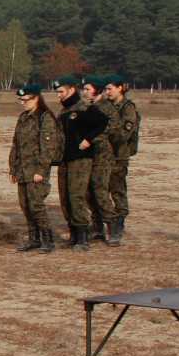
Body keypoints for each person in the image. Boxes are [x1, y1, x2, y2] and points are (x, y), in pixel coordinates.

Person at [54, 74, 108, 251]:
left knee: (76, 196)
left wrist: (88, 139)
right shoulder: (63, 111)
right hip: (64, 159)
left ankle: (83, 237)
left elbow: (102, 122)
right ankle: (73, 233)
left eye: (61, 91)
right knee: (65, 198)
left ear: (71, 90)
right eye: (57, 92)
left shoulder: (83, 107)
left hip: (80, 159)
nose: (59, 95)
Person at [8, 84, 59, 254]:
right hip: (22, 169)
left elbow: (48, 148)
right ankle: (33, 238)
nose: (23, 103)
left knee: (36, 205)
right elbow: (16, 144)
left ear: (36, 98)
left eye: (26, 99)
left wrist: (41, 171)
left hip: (36, 170)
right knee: (25, 205)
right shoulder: (23, 117)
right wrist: (13, 168)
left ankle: (47, 240)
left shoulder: (45, 118)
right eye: (20, 100)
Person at [83, 75, 122, 244]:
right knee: (88, 192)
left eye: (87, 89)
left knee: (100, 190)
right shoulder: (89, 107)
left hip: (102, 155)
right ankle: (97, 227)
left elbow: (113, 129)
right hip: (89, 155)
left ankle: (113, 228)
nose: (84, 92)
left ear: (96, 91)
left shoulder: (106, 108)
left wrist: (91, 138)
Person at [104, 74, 139, 245]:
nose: (107, 92)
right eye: (105, 89)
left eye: (110, 88)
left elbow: (124, 133)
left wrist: (104, 134)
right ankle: (103, 224)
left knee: (117, 190)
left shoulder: (127, 108)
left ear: (120, 88)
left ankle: (118, 224)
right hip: (104, 155)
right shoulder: (106, 106)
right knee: (100, 190)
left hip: (118, 156)